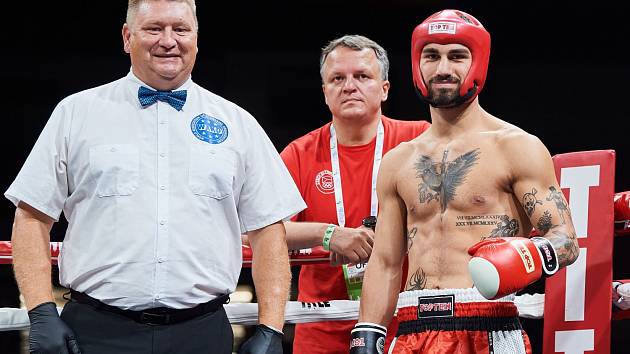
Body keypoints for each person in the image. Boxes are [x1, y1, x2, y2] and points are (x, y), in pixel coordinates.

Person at [5, 1, 305, 353]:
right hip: (94, 331)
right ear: (127, 37)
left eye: (180, 29)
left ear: (196, 37)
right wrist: (41, 311)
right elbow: (30, 217)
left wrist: (270, 329)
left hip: (202, 332)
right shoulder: (76, 113)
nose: (168, 40)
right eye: (154, 29)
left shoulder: (238, 124)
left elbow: (269, 231)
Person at [350, 9, 580, 354]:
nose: (443, 68)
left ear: (479, 63)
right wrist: (367, 332)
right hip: (414, 327)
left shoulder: (515, 146)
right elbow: (385, 261)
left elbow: (565, 240)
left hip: (488, 322)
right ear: (417, 64)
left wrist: (527, 255)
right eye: (431, 55)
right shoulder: (398, 162)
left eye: (457, 56)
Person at [279, 35, 430, 354]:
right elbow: (258, 231)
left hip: (406, 323)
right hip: (322, 328)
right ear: (325, 92)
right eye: (337, 78)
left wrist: (390, 237)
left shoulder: (419, 140)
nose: (349, 86)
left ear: (385, 88)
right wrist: (328, 235)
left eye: (362, 76)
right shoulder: (300, 154)